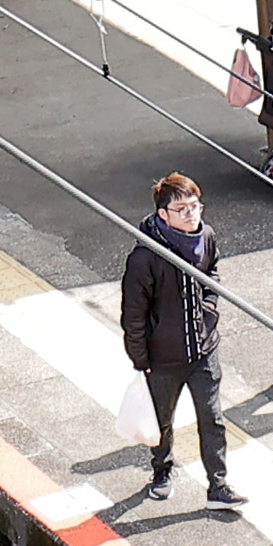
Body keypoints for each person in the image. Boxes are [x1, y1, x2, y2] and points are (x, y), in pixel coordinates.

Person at [116, 172, 240, 508]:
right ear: (163, 215)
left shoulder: (207, 237)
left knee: (212, 419)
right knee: (162, 421)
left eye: (195, 206)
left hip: (204, 350)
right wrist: (140, 358)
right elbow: (134, 313)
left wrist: (208, 312)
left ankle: (218, 486)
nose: (191, 213)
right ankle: (161, 471)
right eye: (181, 208)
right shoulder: (145, 257)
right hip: (163, 358)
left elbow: (212, 274)